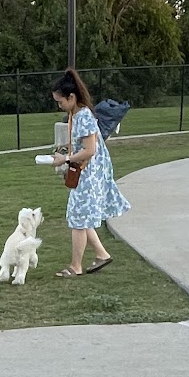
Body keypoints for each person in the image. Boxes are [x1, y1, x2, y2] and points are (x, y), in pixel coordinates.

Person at [51, 69, 128, 277]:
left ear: (71, 97)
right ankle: (102, 254)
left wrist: (65, 159)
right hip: (85, 172)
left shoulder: (83, 116)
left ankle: (75, 266)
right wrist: (65, 154)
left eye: (60, 101)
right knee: (80, 216)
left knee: (78, 219)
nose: (59, 106)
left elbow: (90, 150)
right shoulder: (76, 115)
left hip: (88, 175)